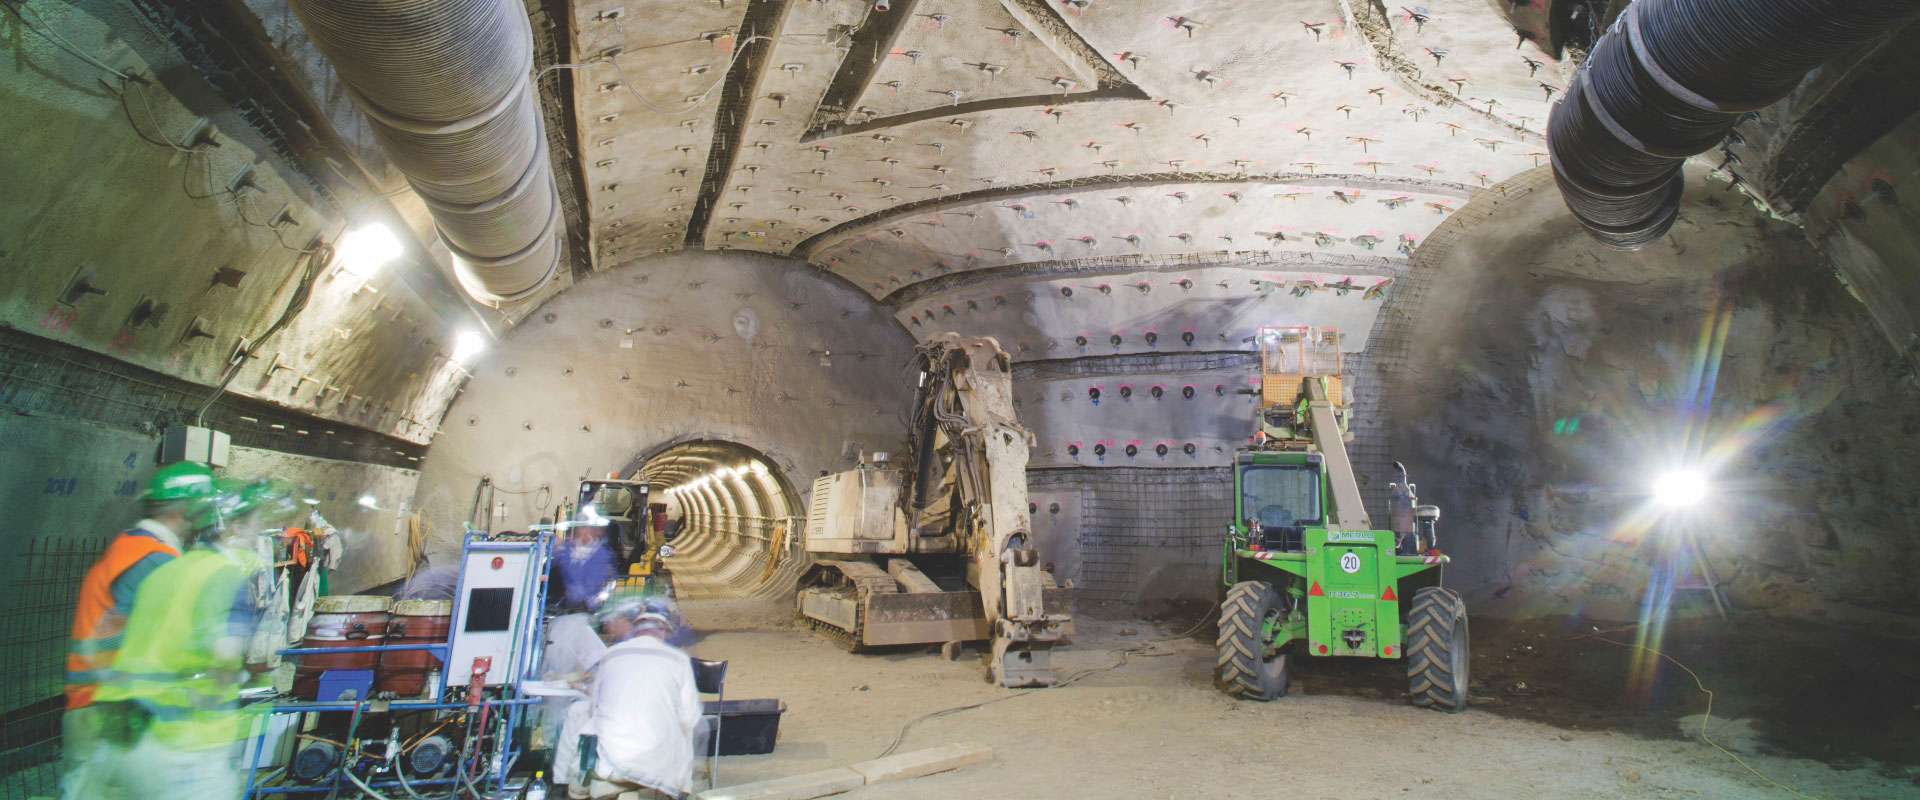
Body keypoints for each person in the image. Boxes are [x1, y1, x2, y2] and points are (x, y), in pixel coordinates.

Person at [83, 477, 299, 800]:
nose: (259, 534)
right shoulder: (227, 577)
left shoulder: (169, 570)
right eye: (256, 524)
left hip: (126, 737)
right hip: (184, 746)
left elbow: (99, 642)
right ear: (235, 527)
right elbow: (224, 658)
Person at [60, 462, 216, 798]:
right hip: (109, 713)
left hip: (98, 707)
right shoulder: (153, 561)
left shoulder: (132, 548)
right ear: (190, 507)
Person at [564, 592, 701, 800]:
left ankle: (572, 790)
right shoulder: (679, 660)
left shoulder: (611, 655)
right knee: (686, 731)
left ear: (636, 628)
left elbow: (595, 707)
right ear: (664, 631)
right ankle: (681, 791)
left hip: (610, 759)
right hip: (657, 765)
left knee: (580, 716)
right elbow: (689, 717)